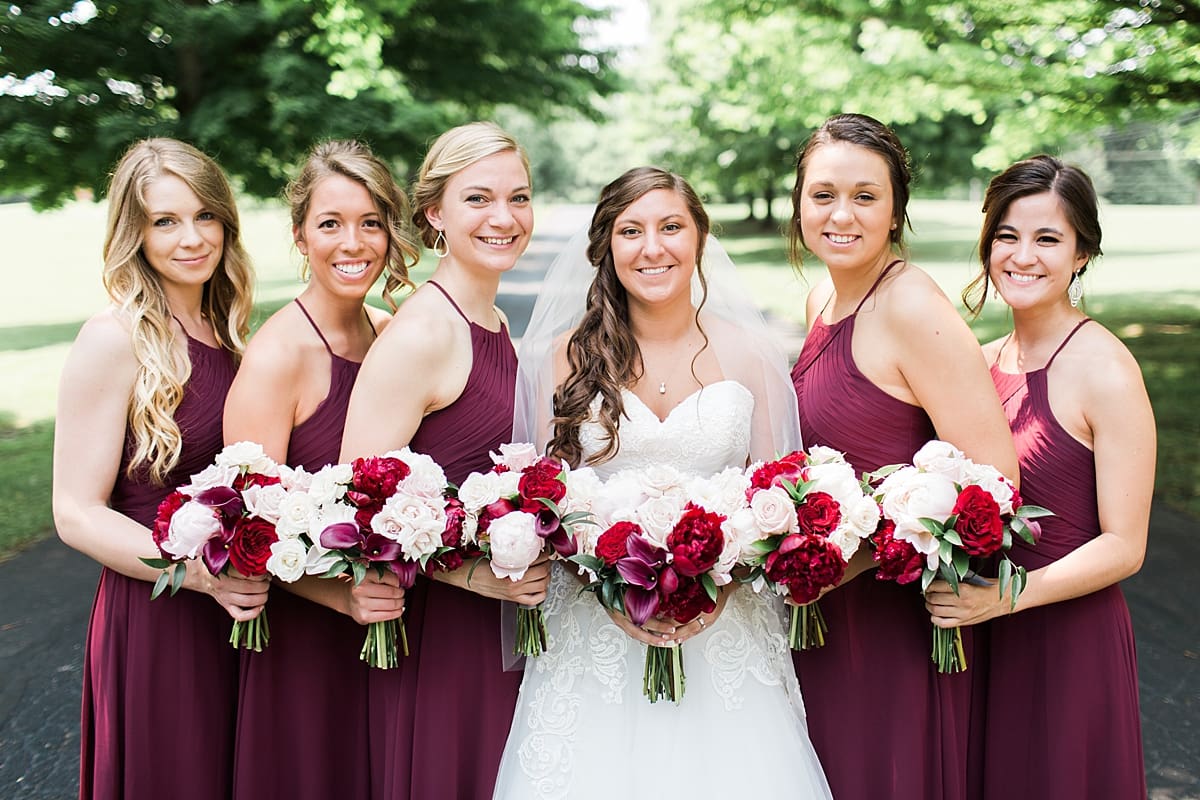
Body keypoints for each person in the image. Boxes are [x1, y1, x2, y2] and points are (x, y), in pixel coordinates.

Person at [492, 166, 833, 799]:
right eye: (632, 231)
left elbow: (775, 505)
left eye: (671, 227)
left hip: (724, 629)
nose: (653, 248)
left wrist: (717, 588)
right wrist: (608, 591)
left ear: (700, 237)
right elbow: (541, 502)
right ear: (607, 248)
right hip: (592, 634)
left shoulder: (751, 355)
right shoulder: (560, 358)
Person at [787, 113, 1019, 800]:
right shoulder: (821, 299)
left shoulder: (912, 306)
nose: (842, 214)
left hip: (890, 627)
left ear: (895, 212)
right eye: (823, 194)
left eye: (866, 196)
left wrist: (856, 557)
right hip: (820, 610)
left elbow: (994, 478)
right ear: (799, 200)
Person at [924, 154, 1152, 799]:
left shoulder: (1106, 369)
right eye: (1007, 235)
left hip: (1066, 643)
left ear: (1082, 254)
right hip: (978, 636)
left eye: (1048, 238)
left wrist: (1008, 597)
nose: (1023, 256)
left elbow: (1126, 545)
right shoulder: (979, 362)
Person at [339, 121, 551, 800]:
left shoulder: (494, 321)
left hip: (507, 615)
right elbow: (357, 502)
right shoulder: (423, 335)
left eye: (518, 198)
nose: (504, 217)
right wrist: (474, 580)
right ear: (434, 212)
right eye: (479, 199)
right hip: (446, 633)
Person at [52, 138, 265, 799]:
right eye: (165, 221)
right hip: (160, 607)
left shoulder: (232, 334)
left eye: (205, 215)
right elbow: (75, 513)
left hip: (237, 611)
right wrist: (196, 576)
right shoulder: (115, 340)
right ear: (134, 233)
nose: (192, 237)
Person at [222, 139, 420, 798]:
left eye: (370, 223)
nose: (353, 242)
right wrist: (342, 596)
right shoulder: (278, 355)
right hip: (306, 644)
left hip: (390, 626)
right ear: (301, 236)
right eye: (331, 223)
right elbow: (244, 531)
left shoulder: (392, 332)